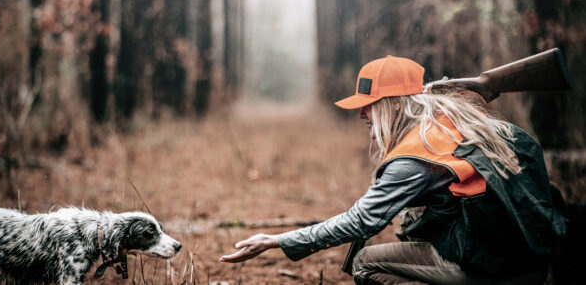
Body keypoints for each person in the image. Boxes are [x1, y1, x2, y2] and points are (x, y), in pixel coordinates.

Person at [220, 56, 566, 284]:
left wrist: (277, 240)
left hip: (495, 268)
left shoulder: (415, 155)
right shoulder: (457, 121)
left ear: (389, 106)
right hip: (530, 257)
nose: (361, 115)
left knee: (366, 264)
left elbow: (359, 222)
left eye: (368, 105)